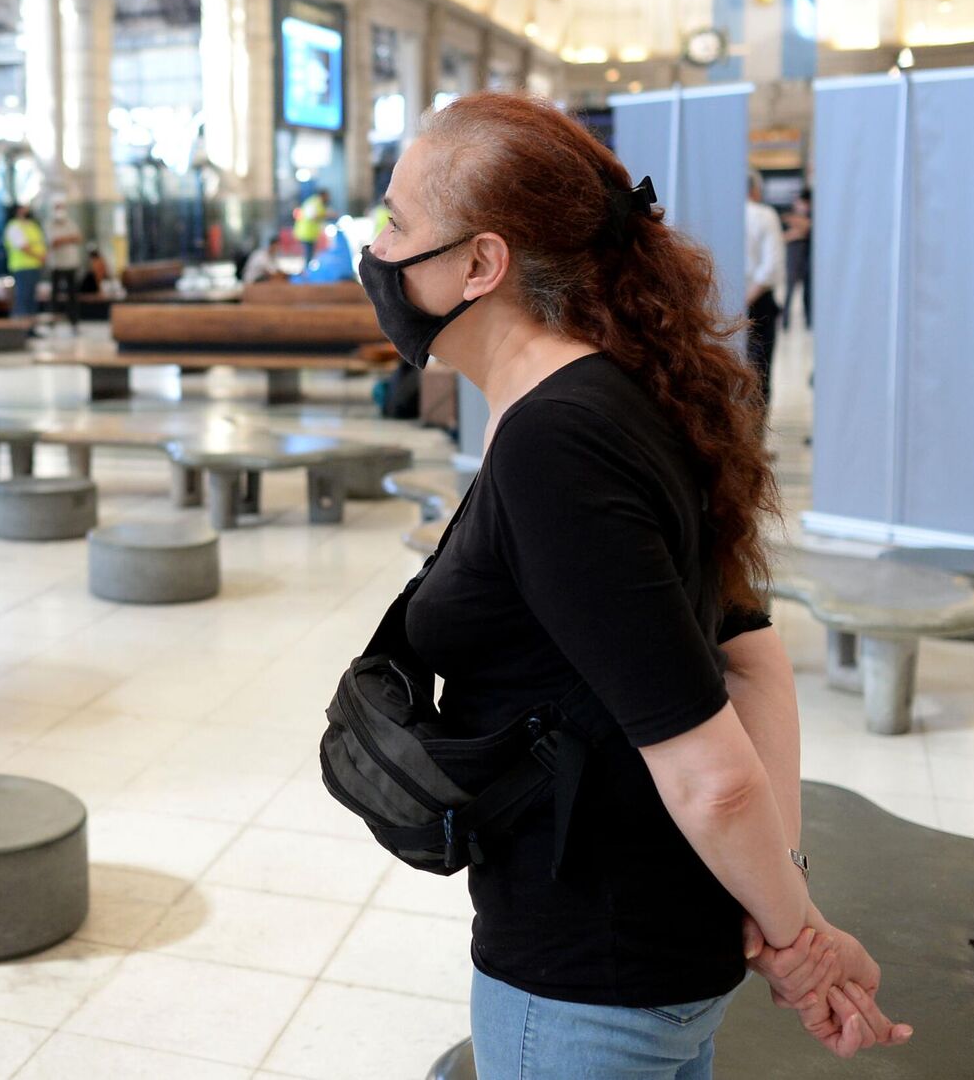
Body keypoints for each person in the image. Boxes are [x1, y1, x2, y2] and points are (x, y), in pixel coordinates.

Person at [354, 93, 909, 1078]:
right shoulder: (626, 392)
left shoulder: (556, 447)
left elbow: (714, 772)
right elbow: (754, 661)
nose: (377, 247)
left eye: (398, 223)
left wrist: (800, 940)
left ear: (481, 263)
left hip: (586, 977)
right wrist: (778, 898)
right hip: (663, 948)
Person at [745, 170, 786, 410]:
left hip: (721, 304)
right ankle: (755, 443)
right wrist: (748, 299)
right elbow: (772, 266)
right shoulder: (764, 215)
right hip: (758, 305)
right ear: (756, 191)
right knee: (759, 375)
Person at [4, 204, 47, 319]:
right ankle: (20, 326)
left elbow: (40, 243)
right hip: (22, 267)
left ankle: (31, 327)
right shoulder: (14, 226)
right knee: (23, 297)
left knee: (32, 298)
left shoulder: (32, 225)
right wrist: (39, 256)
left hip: (34, 265)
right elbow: (23, 246)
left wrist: (43, 256)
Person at [47, 198, 85, 329]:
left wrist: (64, 239)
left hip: (71, 264)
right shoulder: (50, 225)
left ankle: (74, 321)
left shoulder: (71, 223)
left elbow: (78, 238)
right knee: (55, 294)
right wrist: (69, 238)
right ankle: (53, 320)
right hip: (56, 264)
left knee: (72, 294)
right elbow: (54, 242)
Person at [782, 187, 812, 331]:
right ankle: (785, 321)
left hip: (805, 259)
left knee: (806, 292)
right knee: (790, 291)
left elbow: (806, 228)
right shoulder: (790, 217)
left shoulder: (810, 217)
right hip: (793, 258)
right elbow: (784, 236)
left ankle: (808, 321)